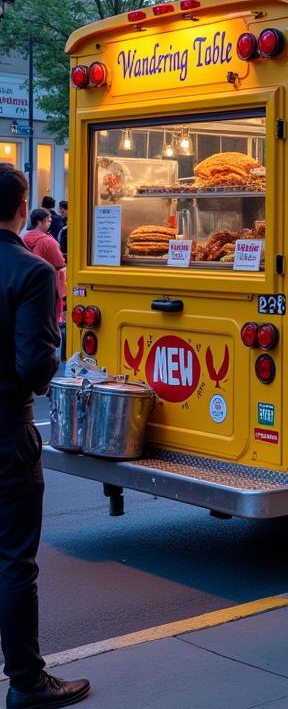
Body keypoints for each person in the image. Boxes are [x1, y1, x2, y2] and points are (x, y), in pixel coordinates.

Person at [0, 166, 91, 708]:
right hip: (8, 428)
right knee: (14, 560)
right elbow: (36, 366)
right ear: (22, 205)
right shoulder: (30, 273)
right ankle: (27, 681)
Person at [21, 210, 66, 328]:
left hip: (28, 287)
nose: (50, 223)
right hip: (49, 289)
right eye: (48, 220)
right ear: (40, 221)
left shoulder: (23, 238)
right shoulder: (48, 241)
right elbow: (60, 263)